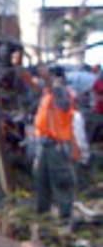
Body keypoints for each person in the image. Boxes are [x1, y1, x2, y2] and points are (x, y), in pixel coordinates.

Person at [32, 66, 78, 219]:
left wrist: (47, 79)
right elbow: (32, 82)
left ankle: (65, 218)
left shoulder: (63, 93)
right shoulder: (47, 94)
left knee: (61, 182)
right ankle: (42, 216)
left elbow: (62, 103)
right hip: (43, 145)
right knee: (41, 181)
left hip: (56, 146)